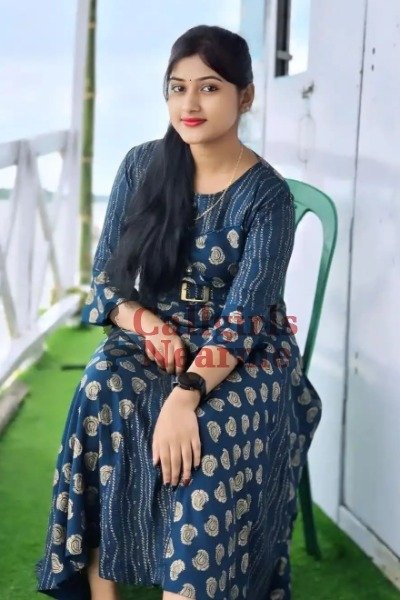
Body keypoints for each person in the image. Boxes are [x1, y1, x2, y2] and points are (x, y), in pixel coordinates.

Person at [36, 24, 322, 600]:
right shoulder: (141, 166)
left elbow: (244, 319)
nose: (189, 104)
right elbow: (107, 280)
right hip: (158, 335)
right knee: (101, 387)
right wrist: (147, 323)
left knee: (208, 437)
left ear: (245, 96)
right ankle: (102, 592)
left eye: (209, 88)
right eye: (177, 87)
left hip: (247, 353)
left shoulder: (267, 195)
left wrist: (185, 395)